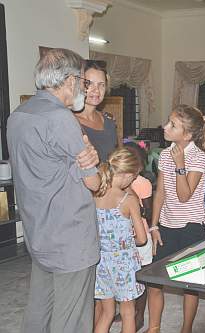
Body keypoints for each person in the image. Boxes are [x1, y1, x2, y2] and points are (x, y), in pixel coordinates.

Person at [7, 48, 101, 333]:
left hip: (39, 231)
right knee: (71, 319)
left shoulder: (18, 115)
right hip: (70, 237)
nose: (84, 89)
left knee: (39, 312)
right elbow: (93, 183)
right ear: (70, 81)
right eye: (84, 82)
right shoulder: (62, 119)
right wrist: (93, 161)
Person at [148, 105, 205, 333]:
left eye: (172, 125)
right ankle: (154, 327)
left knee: (190, 285)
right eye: (168, 122)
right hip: (167, 225)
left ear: (187, 135)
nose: (165, 127)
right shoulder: (165, 153)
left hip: (191, 227)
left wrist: (180, 165)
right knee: (154, 281)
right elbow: (160, 191)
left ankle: (186, 328)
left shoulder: (198, 157)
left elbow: (184, 195)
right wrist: (153, 225)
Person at [93, 148, 147, 333]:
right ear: (127, 175)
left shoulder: (95, 195)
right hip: (124, 264)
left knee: (107, 313)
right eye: (133, 178)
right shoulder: (128, 199)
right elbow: (142, 239)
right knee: (128, 312)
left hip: (100, 262)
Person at [124, 141, 154, 331]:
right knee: (126, 275)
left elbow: (148, 212)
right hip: (123, 238)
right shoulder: (113, 181)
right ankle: (128, 309)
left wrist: (134, 208)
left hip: (140, 236)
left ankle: (139, 315)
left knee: (141, 276)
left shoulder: (143, 184)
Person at [75, 60, 118, 162]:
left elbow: (115, 161)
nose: (96, 90)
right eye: (89, 84)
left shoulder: (109, 122)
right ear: (78, 84)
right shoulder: (69, 121)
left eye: (101, 84)